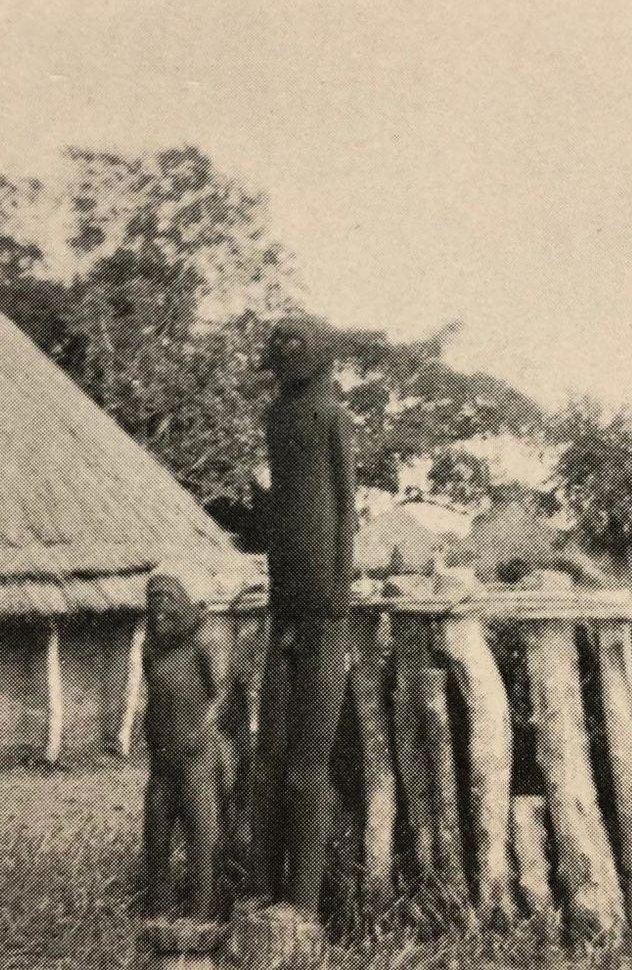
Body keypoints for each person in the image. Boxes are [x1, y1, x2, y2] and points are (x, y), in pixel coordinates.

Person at [250, 316, 360, 922]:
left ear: (321, 352)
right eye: (279, 340)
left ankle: (305, 902)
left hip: (322, 598)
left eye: (298, 341)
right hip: (285, 594)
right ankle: (267, 887)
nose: (286, 350)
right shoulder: (277, 417)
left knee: (307, 765)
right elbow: (280, 508)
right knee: (269, 759)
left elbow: (345, 505)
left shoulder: (331, 416)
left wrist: (338, 585)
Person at [141, 572, 233, 920]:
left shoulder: (202, 640)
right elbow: (155, 692)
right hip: (161, 764)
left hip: (196, 759)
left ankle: (199, 913)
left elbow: (220, 693)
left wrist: (202, 732)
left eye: (167, 598)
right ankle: (158, 910)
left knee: (200, 835)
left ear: (182, 602)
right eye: (153, 599)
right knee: (156, 833)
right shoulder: (151, 645)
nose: (159, 606)